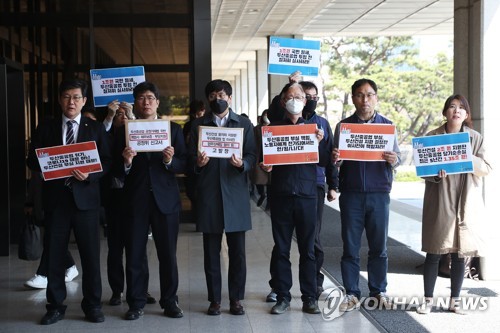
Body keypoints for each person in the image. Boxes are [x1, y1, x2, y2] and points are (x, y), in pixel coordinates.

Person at [26, 78, 112, 325]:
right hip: (56, 202)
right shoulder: (46, 127)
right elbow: (32, 161)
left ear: (84, 101)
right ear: (59, 100)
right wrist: (43, 161)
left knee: (90, 257)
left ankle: (93, 305)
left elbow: (107, 161)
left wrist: (90, 174)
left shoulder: (94, 129)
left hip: (86, 202)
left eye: (76, 97)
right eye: (66, 96)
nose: (71, 101)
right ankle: (55, 306)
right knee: (54, 255)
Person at [113, 81, 187, 320]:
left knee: (168, 254)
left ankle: (170, 301)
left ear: (157, 102)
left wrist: (168, 162)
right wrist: (126, 162)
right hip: (135, 199)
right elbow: (113, 168)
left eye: (150, 98)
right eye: (141, 98)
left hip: (166, 200)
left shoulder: (173, 130)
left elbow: (183, 162)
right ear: (135, 102)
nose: (146, 102)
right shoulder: (124, 131)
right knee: (134, 253)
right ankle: (136, 301)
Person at [416, 94, 491, 315]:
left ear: (466, 115)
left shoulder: (475, 138)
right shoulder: (432, 137)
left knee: (461, 253)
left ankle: (455, 301)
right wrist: (435, 176)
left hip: (465, 201)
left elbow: (487, 168)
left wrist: (468, 157)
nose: (456, 111)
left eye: (461, 108)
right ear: (445, 112)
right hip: (440, 200)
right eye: (451, 107)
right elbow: (423, 171)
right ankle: (427, 300)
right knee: (433, 251)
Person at [332, 78, 401, 312]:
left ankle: (378, 291)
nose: (365, 99)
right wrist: (336, 160)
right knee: (350, 247)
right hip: (351, 194)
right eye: (360, 95)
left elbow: (398, 158)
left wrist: (394, 160)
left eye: (370, 94)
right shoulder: (343, 127)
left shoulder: (387, 126)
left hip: (379, 194)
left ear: (376, 97)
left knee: (378, 247)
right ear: (353, 98)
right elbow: (336, 160)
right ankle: (351, 292)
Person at [188, 79, 256, 316]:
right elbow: (189, 160)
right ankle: (215, 299)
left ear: (230, 97)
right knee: (211, 253)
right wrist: (197, 163)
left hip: (235, 195)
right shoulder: (197, 125)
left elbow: (251, 155)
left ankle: (236, 299)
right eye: (214, 95)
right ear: (208, 99)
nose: (219, 99)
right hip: (209, 194)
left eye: (223, 94)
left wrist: (242, 164)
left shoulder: (244, 124)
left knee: (237, 253)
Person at [260, 82, 327, 315]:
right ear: (282, 101)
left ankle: (309, 297)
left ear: (305, 101)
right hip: (281, 195)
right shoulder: (272, 131)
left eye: (299, 96)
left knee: (308, 250)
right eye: (291, 96)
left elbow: (326, 161)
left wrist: (320, 143)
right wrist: (265, 167)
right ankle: (283, 296)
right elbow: (263, 163)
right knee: (281, 249)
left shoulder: (315, 129)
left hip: (308, 195)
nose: (295, 99)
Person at [101, 101, 156, 307]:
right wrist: (109, 115)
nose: (122, 116)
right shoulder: (106, 136)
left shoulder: (138, 135)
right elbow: (102, 132)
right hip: (114, 199)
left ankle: (141, 288)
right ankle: (117, 291)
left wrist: (132, 116)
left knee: (138, 247)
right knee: (115, 248)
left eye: (126, 113)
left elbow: (143, 131)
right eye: (119, 114)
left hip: (136, 198)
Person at [299, 81, 338, 298]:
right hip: (290, 186)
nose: (311, 100)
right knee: (284, 242)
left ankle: (316, 281)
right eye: (307, 96)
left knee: (314, 238)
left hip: (315, 184)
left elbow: (330, 156)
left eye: (315, 97)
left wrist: (333, 185)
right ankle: (279, 288)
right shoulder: (286, 121)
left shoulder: (322, 123)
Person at [24, 172, 79, 290]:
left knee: (50, 237)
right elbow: (35, 176)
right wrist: (29, 202)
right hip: (45, 196)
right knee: (52, 237)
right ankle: (70, 266)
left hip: (62, 196)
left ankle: (43, 274)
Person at [182, 99, 206, 219]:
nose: (198, 116)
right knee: (192, 191)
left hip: (205, 161)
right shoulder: (188, 126)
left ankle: (200, 216)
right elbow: (183, 145)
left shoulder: (206, 124)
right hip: (191, 162)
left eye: (200, 113)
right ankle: (196, 214)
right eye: (195, 114)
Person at [249, 109, 271, 207]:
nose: (266, 117)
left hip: (270, 157)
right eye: (265, 115)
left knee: (270, 182)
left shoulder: (274, 127)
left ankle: (269, 202)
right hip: (259, 156)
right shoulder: (257, 129)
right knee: (259, 179)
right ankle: (262, 194)